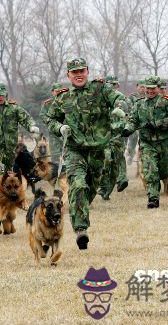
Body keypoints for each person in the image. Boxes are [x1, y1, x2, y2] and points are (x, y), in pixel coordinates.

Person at [45, 58, 127, 250]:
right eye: (74, 72)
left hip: (99, 151)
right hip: (75, 150)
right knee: (78, 185)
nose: (79, 74)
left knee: (89, 190)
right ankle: (81, 230)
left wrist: (119, 108)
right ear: (68, 75)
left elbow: (119, 98)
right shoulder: (63, 98)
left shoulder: (100, 89)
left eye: (82, 71)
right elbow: (50, 119)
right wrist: (60, 127)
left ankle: (77, 211)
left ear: (87, 72)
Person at [122, 75, 168, 208]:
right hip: (147, 143)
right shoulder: (139, 104)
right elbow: (133, 121)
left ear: (158, 88)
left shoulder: (166, 101)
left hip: (164, 142)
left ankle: (167, 181)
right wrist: (128, 129)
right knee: (150, 169)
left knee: (165, 171)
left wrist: (157, 124)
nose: (150, 91)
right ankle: (153, 198)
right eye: (148, 88)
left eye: (153, 88)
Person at [0, 82, 39, 169]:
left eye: (2, 95)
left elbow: (26, 118)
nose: (1, 98)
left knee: (11, 176)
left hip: (12, 150)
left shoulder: (13, 108)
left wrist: (31, 126)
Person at [40, 83, 65, 162]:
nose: (58, 93)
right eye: (57, 91)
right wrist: (51, 123)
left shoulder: (67, 101)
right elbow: (42, 115)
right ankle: (56, 173)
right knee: (55, 156)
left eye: (60, 91)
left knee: (69, 155)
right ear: (52, 92)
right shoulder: (48, 103)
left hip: (66, 132)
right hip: (54, 134)